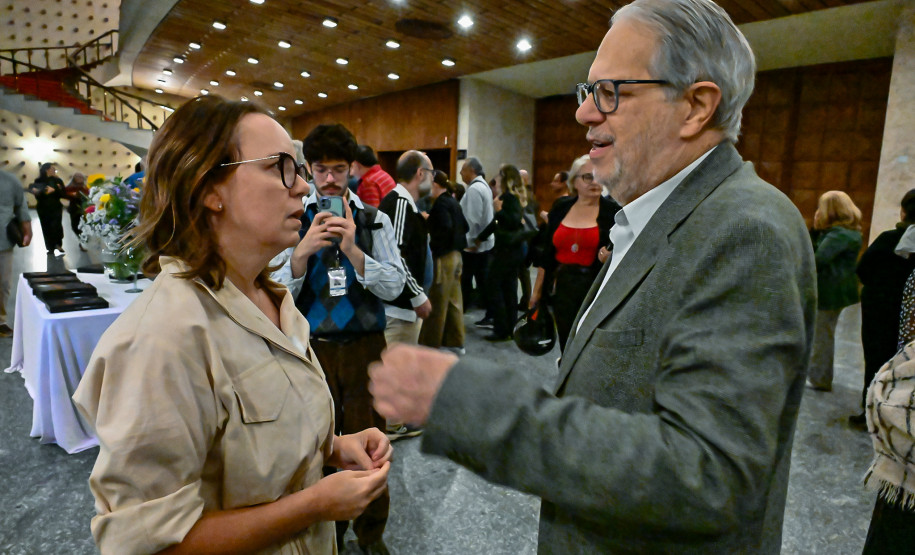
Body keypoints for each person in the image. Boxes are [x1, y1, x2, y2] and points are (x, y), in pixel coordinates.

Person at [369, 0, 816, 551]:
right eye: (588, 93)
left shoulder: (744, 230)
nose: (584, 114)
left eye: (610, 92)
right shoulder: (659, 218)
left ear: (695, 106)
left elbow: (705, 474)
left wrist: (464, 402)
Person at [72, 96, 391, 555]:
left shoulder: (271, 297)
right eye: (280, 166)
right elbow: (148, 543)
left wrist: (332, 447)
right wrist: (312, 505)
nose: (303, 187)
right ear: (209, 188)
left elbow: (250, 443)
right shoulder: (162, 338)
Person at [272, 122, 405, 554]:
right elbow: (271, 289)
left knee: (371, 443)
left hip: (367, 347)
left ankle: (372, 535)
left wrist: (353, 251)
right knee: (317, 444)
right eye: (321, 169)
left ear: (353, 171)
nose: (330, 178)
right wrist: (301, 252)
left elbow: (395, 285)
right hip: (312, 350)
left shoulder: (375, 220)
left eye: (340, 169)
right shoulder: (292, 220)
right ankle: (328, 534)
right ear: (308, 170)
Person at [531, 154, 620, 351]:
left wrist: (612, 257)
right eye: (588, 177)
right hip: (562, 287)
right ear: (574, 182)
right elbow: (547, 255)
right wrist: (536, 292)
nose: (595, 182)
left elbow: (628, 252)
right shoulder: (561, 207)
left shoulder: (613, 212)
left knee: (589, 346)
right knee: (566, 341)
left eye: (598, 176)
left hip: (594, 290)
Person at [851, 189, 915, 427]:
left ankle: (871, 412)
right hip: (907, 319)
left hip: (880, 311)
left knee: (877, 360)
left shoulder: (890, 239)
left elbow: (863, 269)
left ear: (904, 211)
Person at [807, 191, 862, 391]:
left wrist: (815, 230)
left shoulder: (839, 235)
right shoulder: (844, 233)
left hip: (829, 292)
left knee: (822, 335)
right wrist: (815, 229)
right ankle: (817, 373)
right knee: (822, 333)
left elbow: (816, 260)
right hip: (834, 290)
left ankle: (820, 378)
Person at [475, 164, 527, 342]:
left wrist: (498, 210)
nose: (496, 178)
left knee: (495, 287)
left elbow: (511, 221)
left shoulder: (509, 198)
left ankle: (501, 328)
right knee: (509, 289)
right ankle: (509, 328)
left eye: (499, 175)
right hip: (512, 250)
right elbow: (497, 222)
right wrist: (481, 237)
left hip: (507, 251)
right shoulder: (514, 197)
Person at [419, 170, 467, 352]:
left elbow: (444, 228)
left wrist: (429, 222)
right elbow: (465, 226)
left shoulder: (440, 204)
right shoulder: (452, 201)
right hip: (457, 256)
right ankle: (456, 340)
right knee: (454, 301)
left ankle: (430, 345)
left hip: (443, 258)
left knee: (437, 302)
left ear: (435, 184)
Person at [458, 157, 494, 316]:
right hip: (482, 242)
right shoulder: (482, 186)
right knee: (481, 279)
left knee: (468, 280)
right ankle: (489, 312)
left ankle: (464, 308)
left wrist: (471, 242)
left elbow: (472, 219)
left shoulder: (474, 189)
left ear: (472, 171)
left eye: (463, 169)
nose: (460, 173)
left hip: (475, 245)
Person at [0, 169, 32, 337]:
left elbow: (21, 206)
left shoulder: (10, 180)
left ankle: (0, 321)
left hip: (3, 241)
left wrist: (27, 229)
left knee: (3, 284)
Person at [27, 162, 66, 256]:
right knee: (46, 227)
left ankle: (58, 244)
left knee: (57, 226)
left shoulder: (58, 180)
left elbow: (63, 193)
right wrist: (40, 192)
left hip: (56, 206)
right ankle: (50, 247)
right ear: (46, 170)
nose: (54, 171)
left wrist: (55, 190)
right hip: (43, 208)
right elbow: (37, 194)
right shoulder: (38, 181)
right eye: (53, 169)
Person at [64, 172, 89, 249]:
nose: (80, 178)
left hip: (84, 210)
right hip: (74, 209)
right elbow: (64, 194)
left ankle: (83, 242)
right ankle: (81, 239)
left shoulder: (85, 188)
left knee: (84, 226)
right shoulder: (69, 187)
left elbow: (89, 195)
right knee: (75, 226)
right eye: (77, 177)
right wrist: (72, 195)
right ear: (74, 178)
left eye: (81, 177)